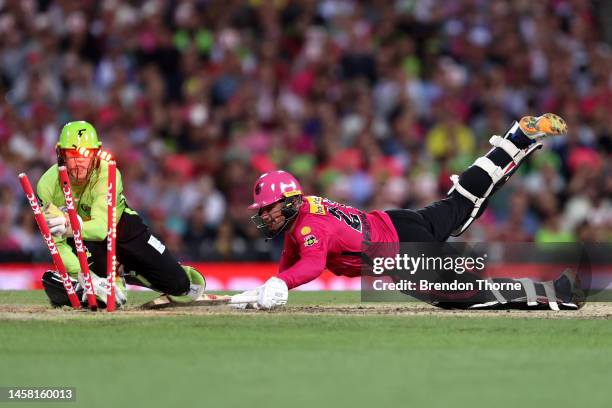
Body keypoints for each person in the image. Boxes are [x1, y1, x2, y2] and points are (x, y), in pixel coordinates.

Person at [232, 114, 584, 310]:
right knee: (462, 202)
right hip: (399, 222)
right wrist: (271, 286)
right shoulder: (304, 215)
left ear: (289, 201)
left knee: (465, 295)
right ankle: (517, 139)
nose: (266, 216)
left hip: (403, 253)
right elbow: (292, 261)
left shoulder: (310, 226)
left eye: (269, 208)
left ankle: (559, 291)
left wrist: (280, 283)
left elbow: (309, 265)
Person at [38, 121, 205, 308]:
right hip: (86, 242)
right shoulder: (46, 186)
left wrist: (71, 225)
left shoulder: (108, 173)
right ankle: (109, 278)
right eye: (72, 155)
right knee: (106, 299)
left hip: (122, 225)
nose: (80, 163)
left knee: (180, 285)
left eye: (86, 154)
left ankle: (128, 271)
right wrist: (85, 276)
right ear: (60, 153)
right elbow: (57, 244)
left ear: (97, 151)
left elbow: (102, 228)